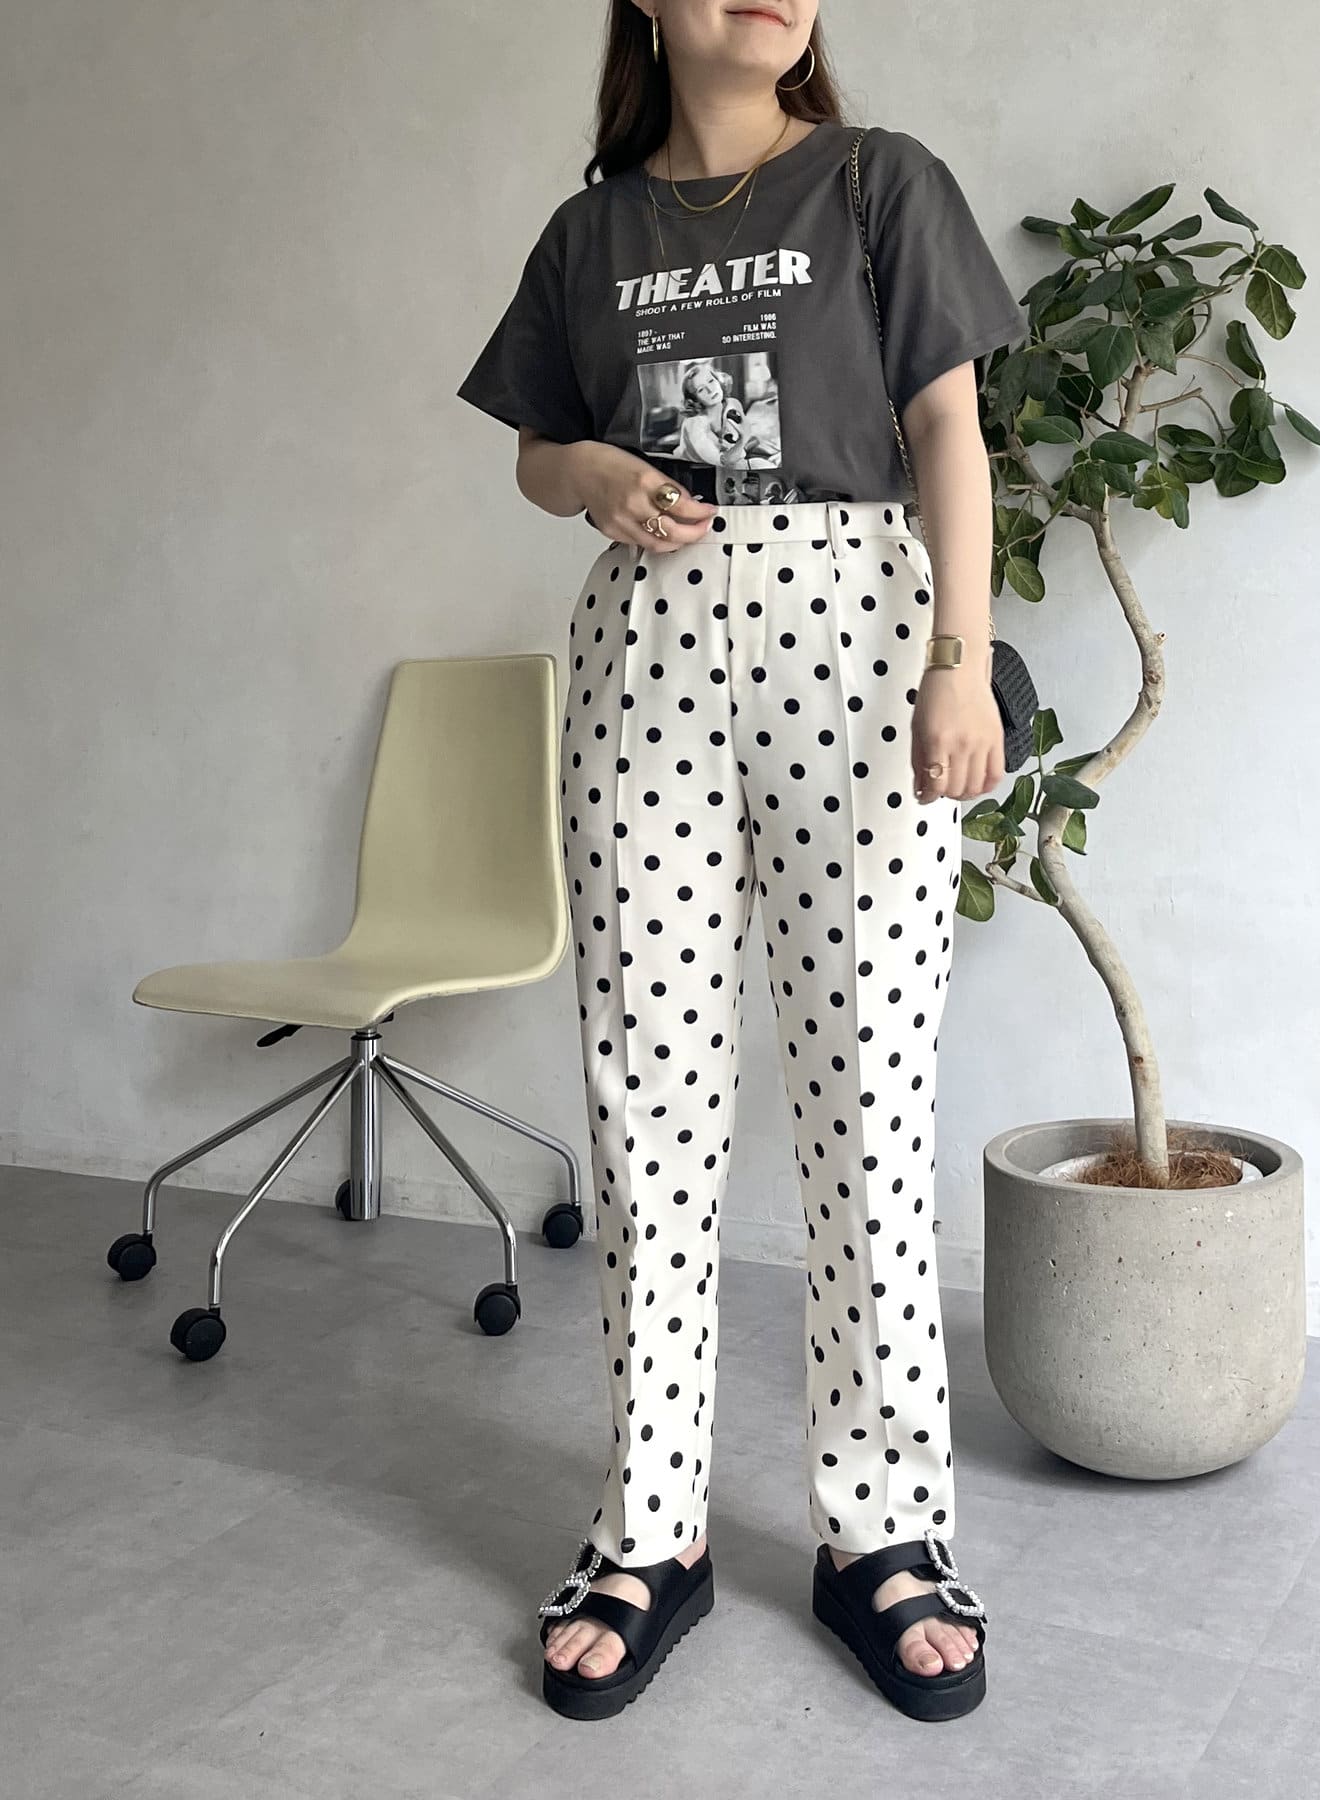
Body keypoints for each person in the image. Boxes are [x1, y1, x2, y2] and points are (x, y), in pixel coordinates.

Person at [456, 0, 1028, 1725]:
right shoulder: (592, 234)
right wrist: (589, 473)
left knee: (869, 1090)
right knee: (648, 1101)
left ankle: (885, 1532)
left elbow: (949, 430)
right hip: (644, 656)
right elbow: (537, 450)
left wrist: (956, 659)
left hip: (858, 642)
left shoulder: (876, 182)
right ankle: (652, 1531)